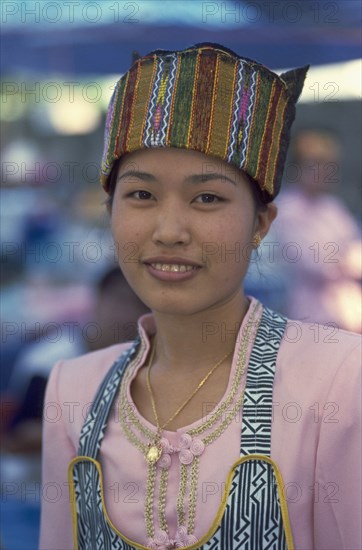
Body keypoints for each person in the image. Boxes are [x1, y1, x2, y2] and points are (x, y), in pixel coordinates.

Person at [39, 43, 361, 549]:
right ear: (110, 211)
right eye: (141, 194)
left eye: (207, 197)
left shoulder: (338, 381)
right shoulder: (73, 390)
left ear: (259, 223)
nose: (169, 230)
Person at [273, 129, 361, 331]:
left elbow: (355, 248)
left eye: (329, 167)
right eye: (315, 166)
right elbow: (318, 264)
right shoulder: (287, 209)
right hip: (311, 320)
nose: (323, 173)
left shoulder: (332, 206)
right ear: (298, 167)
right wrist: (346, 260)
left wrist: (344, 259)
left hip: (350, 317)